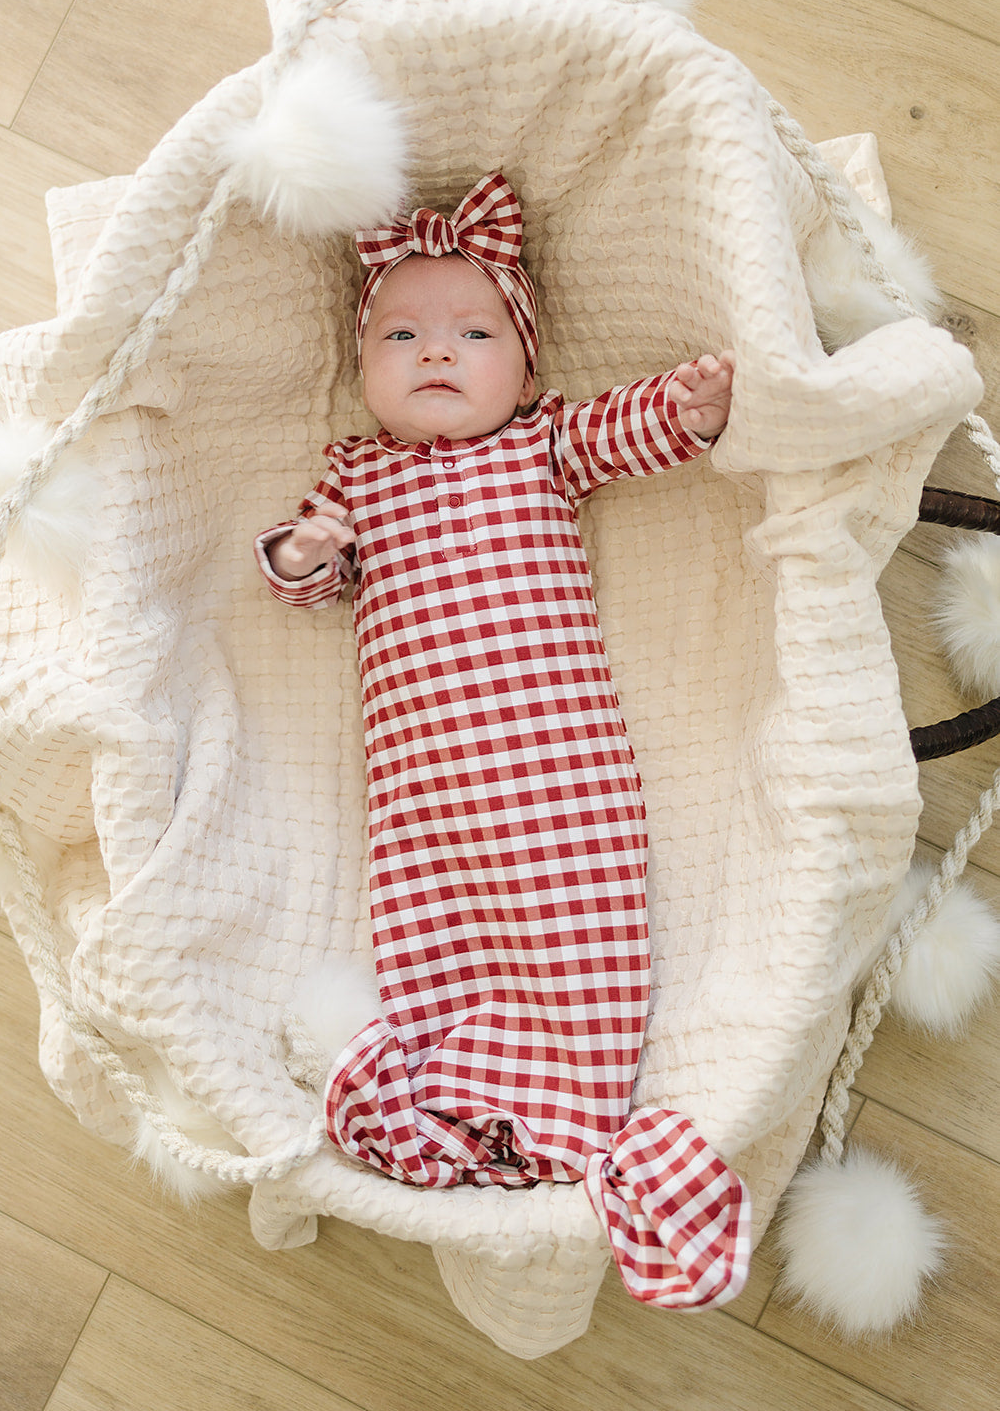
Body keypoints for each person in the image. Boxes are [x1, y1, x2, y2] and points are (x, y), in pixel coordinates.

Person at [255, 172, 749, 1308]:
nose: (437, 351)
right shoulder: (356, 476)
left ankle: (573, 1107)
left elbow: (623, 433)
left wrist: (690, 407)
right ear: (362, 361)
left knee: (572, 915)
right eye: (402, 333)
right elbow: (303, 579)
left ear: (525, 364)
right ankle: (454, 1098)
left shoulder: (536, 449)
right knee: (430, 929)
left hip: (557, 773)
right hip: (426, 794)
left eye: (474, 332)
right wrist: (302, 552)